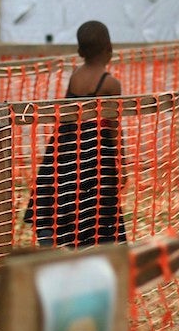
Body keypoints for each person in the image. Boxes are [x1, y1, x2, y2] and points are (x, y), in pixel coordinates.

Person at [25, 20, 127, 247]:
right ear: (110, 48)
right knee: (96, 207)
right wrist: (122, 165)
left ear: (80, 51)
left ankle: (59, 243)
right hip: (96, 157)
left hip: (66, 150)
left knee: (64, 199)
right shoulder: (110, 84)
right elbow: (113, 127)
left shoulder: (75, 77)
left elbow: (66, 113)